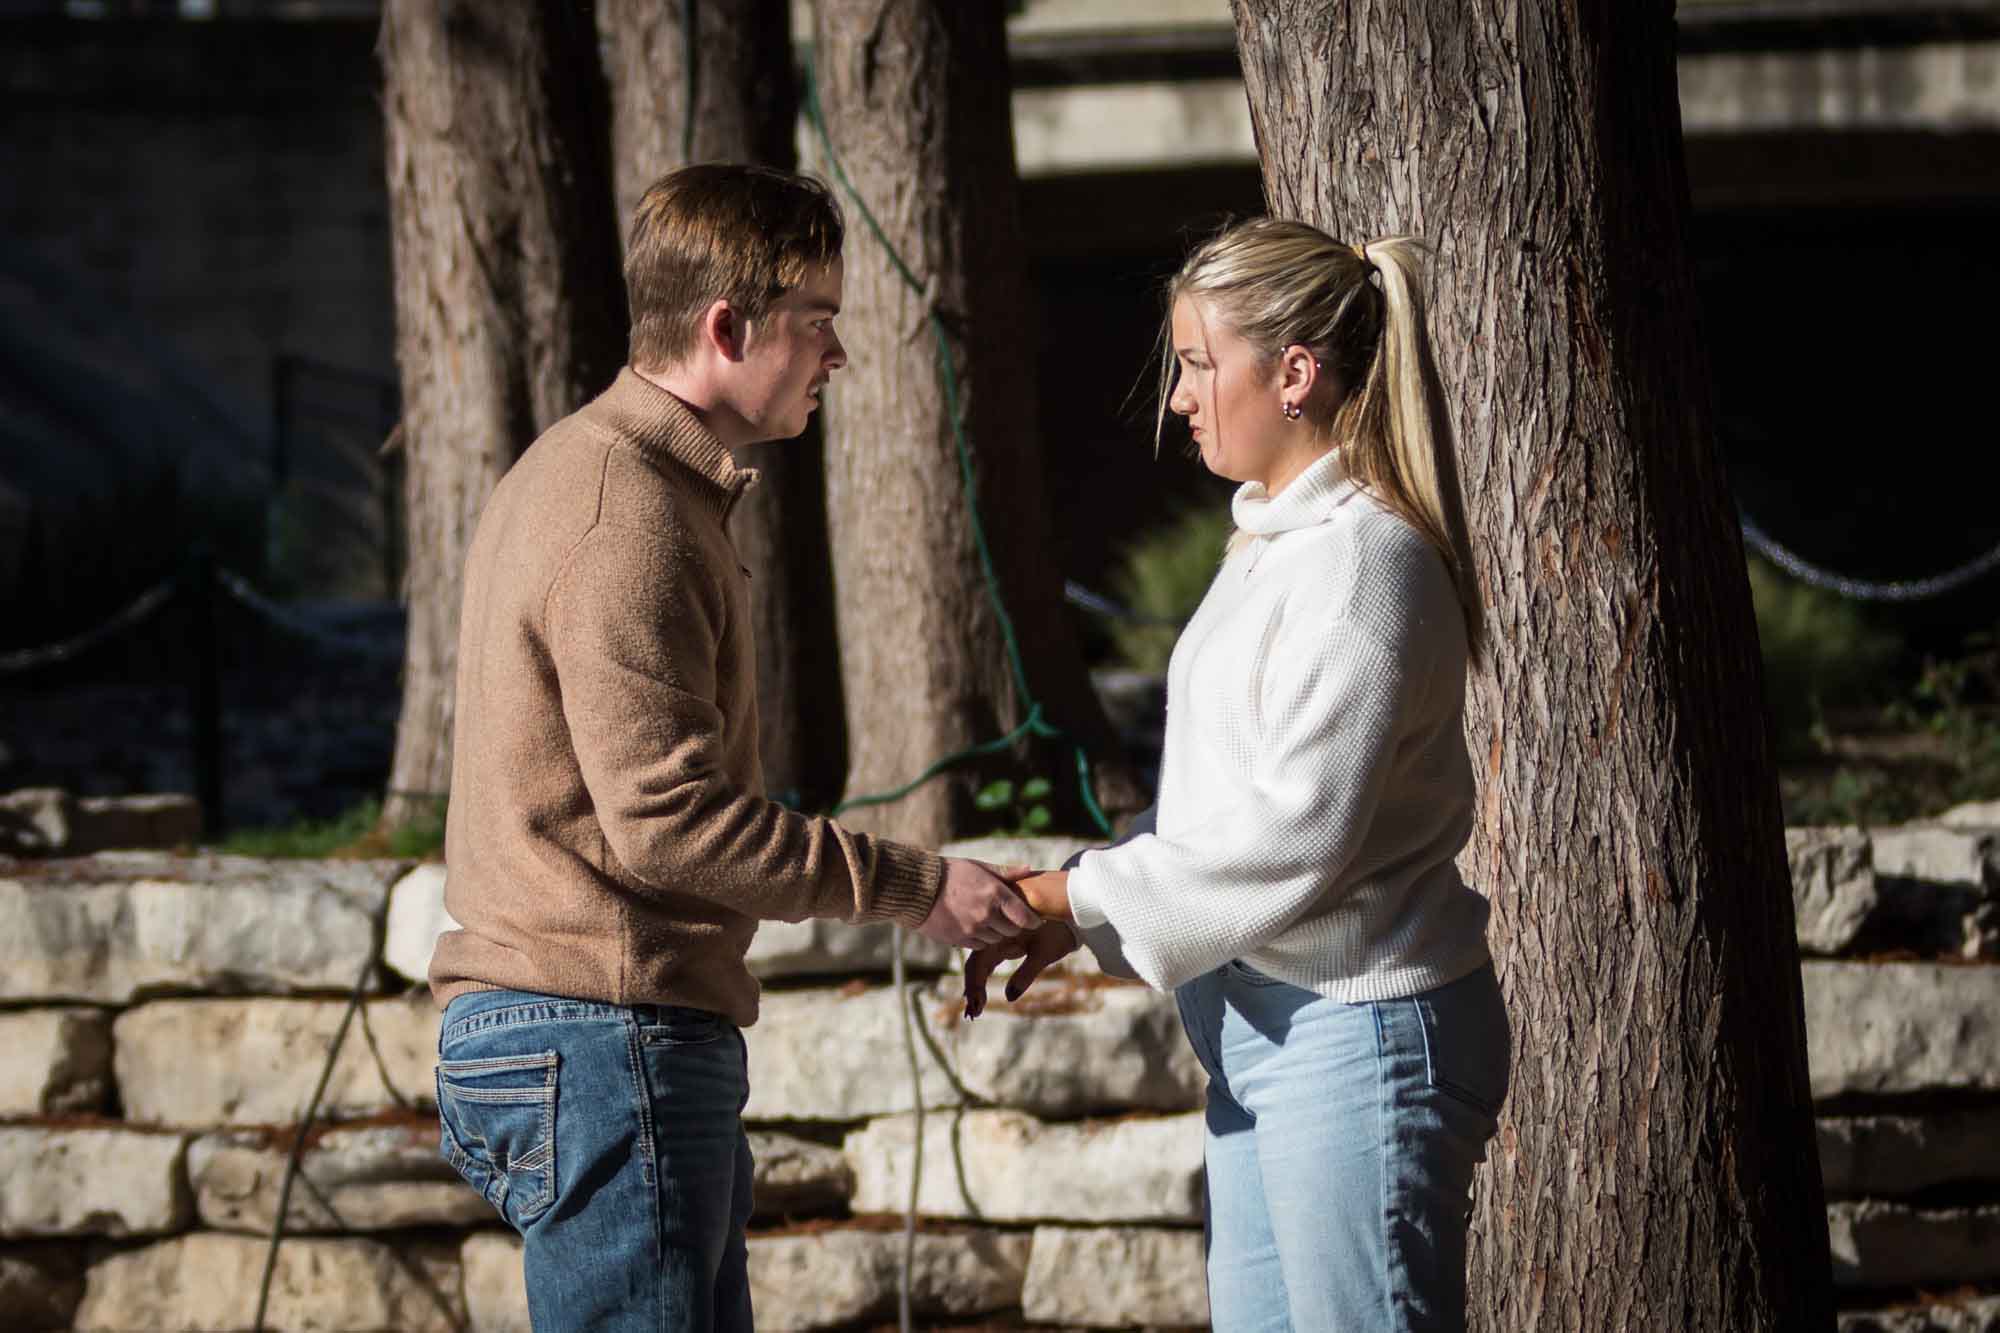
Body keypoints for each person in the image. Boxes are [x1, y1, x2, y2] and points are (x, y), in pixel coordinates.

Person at [428, 163, 1040, 1333]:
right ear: (725, 327)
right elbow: (665, 821)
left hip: (581, 1033)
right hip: (603, 1032)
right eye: (817, 324)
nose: (836, 355)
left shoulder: (606, 476)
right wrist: (918, 889)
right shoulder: (626, 513)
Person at [966, 218, 1510, 1331]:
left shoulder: (1364, 565)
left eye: (1199, 364)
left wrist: (1076, 894)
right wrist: (1085, 900)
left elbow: (1292, 837)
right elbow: (1229, 809)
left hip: (1356, 1043)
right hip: (1267, 1037)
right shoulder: (1271, 545)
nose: (1178, 397)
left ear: (1294, 373)